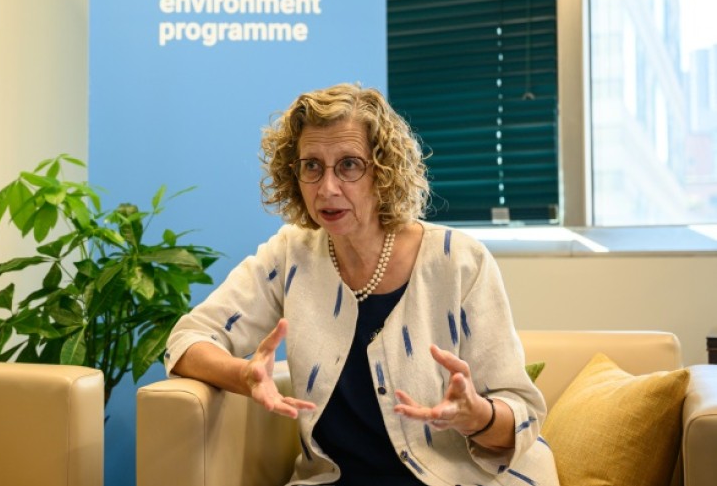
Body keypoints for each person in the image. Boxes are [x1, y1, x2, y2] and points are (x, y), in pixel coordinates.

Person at [165, 83, 559, 486]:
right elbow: (187, 340)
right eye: (312, 166)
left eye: (350, 165)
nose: (327, 188)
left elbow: (521, 411)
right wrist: (244, 376)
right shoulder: (290, 254)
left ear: (384, 172)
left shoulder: (459, 260)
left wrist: (477, 416)